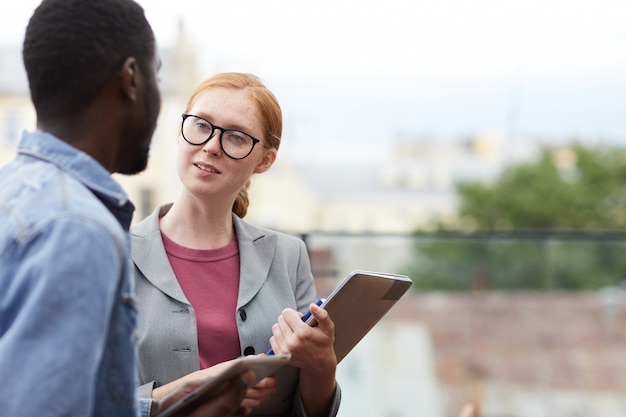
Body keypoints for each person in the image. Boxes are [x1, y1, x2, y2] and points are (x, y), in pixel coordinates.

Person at [0, 1, 254, 416]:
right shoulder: (76, 229)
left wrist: (162, 407)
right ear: (131, 79)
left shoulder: (16, 191)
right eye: (155, 75)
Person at [131, 72, 341, 417]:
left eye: (236, 137)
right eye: (201, 125)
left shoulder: (288, 257)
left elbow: (310, 410)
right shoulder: (114, 257)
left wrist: (323, 366)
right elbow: (79, 399)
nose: (211, 145)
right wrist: (186, 392)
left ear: (265, 160)